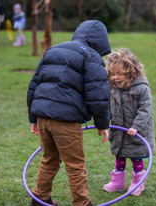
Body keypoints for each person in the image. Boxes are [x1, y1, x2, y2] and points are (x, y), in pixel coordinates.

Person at [27, 20, 111, 206]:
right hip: (65, 121)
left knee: (49, 159)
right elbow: (98, 96)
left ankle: (39, 199)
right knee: (75, 165)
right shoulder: (91, 57)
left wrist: (34, 118)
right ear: (101, 40)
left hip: (44, 117)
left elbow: (34, 86)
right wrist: (103, 124)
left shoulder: (53, 50)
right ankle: (82, 203)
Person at [102, 48, 155, 196]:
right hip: (119, 130)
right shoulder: (112, 88)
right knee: (120, 155)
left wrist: (136, 126)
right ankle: (117, 182)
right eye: (112, 74)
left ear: (131, 73)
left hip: (136, 131)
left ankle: (138, 183)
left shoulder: (141, 88)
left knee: (135, 156)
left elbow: (145, 110)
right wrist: (104, 121)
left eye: (120, 74)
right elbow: (106, 105)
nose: (115, 78)